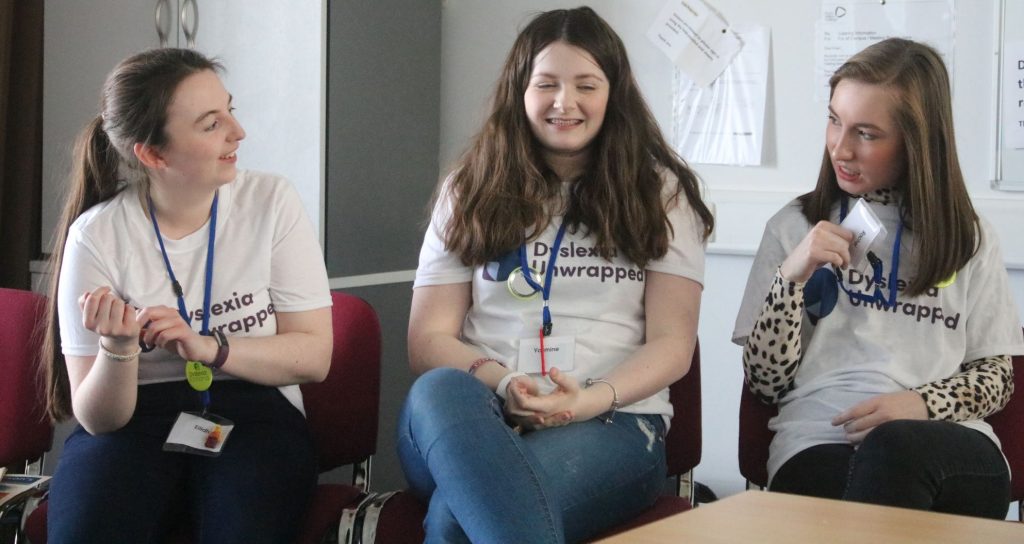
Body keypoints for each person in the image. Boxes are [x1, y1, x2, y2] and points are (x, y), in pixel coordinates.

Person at [397, 7, 714, 543]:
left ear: (614, 93)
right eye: (546, 84)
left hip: (611, 420)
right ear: (520, 91)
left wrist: (585, 400)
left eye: (586, 85)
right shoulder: (469, 188)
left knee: (459, 514)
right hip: (479, 411)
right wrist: (505, 383)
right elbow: (428, 340)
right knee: (437, 390)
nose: (564, 103)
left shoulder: (663, 193)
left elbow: (672, 344)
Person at [39, 48, 333, 542]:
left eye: (230, 111)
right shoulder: (97, 234)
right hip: (135, 417)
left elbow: (314, 356)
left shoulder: (271, 202)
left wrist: (211, 348)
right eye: (210, 124)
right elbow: (98, 418)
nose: (238, 134)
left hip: (253, 406)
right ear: (154, 155)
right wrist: (118, 350)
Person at [732, 38, 1024, 518]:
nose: (839, 148)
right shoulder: (793, 226)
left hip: (946, 439)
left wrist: (921, 405)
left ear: (917, 141)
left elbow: (997, 380)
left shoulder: (968, 238)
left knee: (895, 449)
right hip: (820, 436)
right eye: (834, 120)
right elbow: (765, 384)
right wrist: (791, 278)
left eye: (866, 133)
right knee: (877, 474)